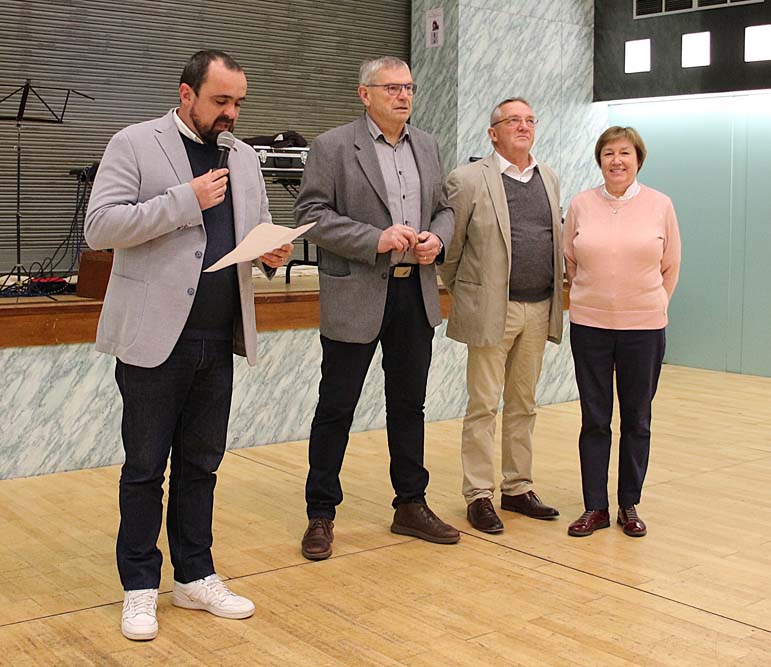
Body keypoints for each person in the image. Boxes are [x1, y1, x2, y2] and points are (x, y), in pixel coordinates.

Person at [84, 50, 293, 640]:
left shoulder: (244, 157)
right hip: (154, 338)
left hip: (217, 336)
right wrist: (185, 200)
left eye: (238, 102)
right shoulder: (134, 143)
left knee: (201, 466)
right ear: (186, 94)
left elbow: (255, 229)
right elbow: (100, 228)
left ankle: (195, 575)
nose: (231, 114)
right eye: (220, 101)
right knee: (145, 469)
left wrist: (271, 253)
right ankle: (139, 586)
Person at [294, 56, 458, 561]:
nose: (403, 96)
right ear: (365, 94)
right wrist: (375, 238)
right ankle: (321, 513)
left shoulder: (427, 145)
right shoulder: (332, 146)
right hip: (356, 293)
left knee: (409, 406)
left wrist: (438, 239)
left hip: (414, 295)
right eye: (392, 88)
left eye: (408, 87)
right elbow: (310, 215)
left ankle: (410, 504)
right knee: (336, 407)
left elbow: (446, 209)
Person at [439, 98, 563, 534]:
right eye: (513, 121)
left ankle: (517, 487)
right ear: (493, 133)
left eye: (529, 120)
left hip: (539, 307)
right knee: (483, 405)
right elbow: (450, 252)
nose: (523, 126)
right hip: (493, 310)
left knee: (524, 404)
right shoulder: (468, 179)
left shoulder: (549, 177)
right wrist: (471, 294)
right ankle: (478, 494)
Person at [563, 126, 681, 538]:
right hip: (590, 327)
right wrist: (590, 298)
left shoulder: (660, 205)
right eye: (609, 153)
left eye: (625, 153)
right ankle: (594, 506)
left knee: (637, 418)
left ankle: (628, 504)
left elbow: (670, 265)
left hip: (643, 328)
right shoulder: (581, 204)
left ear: (638, 160)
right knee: (595, 419)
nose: (616, 160)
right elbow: (570, 260)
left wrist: (653, 305)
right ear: (600, 161)